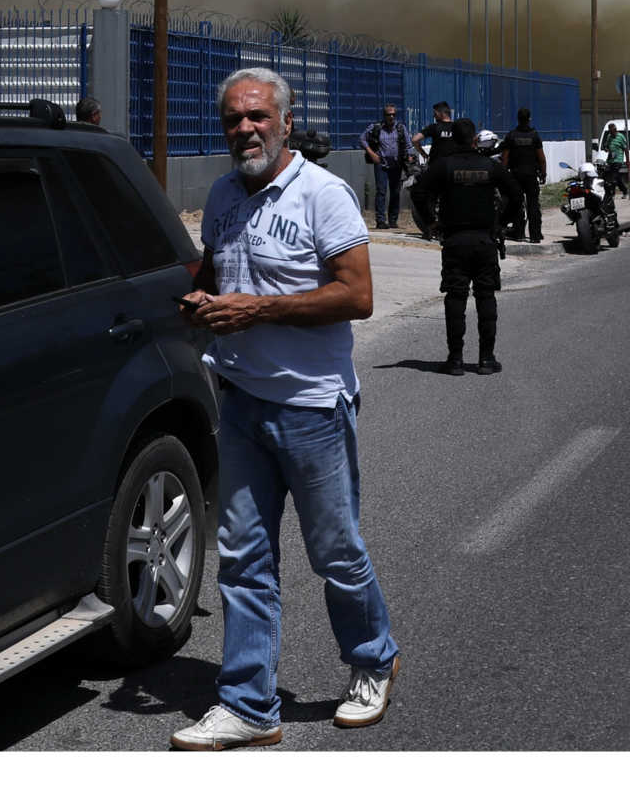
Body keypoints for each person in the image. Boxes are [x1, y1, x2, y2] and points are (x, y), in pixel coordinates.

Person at [173, 67, 400, 750]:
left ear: (285, 121)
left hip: (311, 406)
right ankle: (248, 702)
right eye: (233, 119)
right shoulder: (220, 194)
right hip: (240, 399)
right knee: (242, 556)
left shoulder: (323, 195)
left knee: (334, 551)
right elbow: (215, 271)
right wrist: (201, 298)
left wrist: (259, 307)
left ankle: (373, 659)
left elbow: (357, 295)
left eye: (257, 116)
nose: (245, 128)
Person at [435, 116, 513, 375]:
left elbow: (419, 193)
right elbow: (516, 193)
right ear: (473, 139)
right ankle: (486, 359)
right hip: (484, 240)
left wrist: (432, 225)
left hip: (455, 241)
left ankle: (455, 359)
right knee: (485, 297)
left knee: (456, 299)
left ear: (454, 138)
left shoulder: (444, 166)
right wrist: (502, 223)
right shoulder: (490, 167)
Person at [496, 107, 548, 243]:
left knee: (517, 204)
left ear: (518, 119)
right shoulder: (534, 135)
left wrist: (503, 175)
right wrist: (543, 173)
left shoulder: (511, 136)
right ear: (529, 119)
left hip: (516, 176)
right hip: (531, 175)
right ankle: (535, 236)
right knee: (533, 206)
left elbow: (505, 158)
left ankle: (518, 234)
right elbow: (541, 158)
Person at [360, 104, 409, 229]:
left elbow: (408, 145)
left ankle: (393, 220)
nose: (391, 117)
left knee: (395, 192)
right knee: (381, 191)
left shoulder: (401, 128)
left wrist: (408, 156)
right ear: (384, 115)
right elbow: (362, 139)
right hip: (381, 164)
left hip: (396, 164)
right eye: (389, 114)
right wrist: (371, 153)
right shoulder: (376, 127)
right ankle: (380, 220)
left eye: (393, 114)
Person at [410, 101, 454, 234]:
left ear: (441, 113)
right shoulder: (458, 127)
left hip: (436, 170)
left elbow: (415, 139)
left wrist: (423, 153)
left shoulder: (435, 127)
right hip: (454, 169)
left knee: (420, 194)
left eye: (435, 113)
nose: (434, 116)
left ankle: (431, 224)